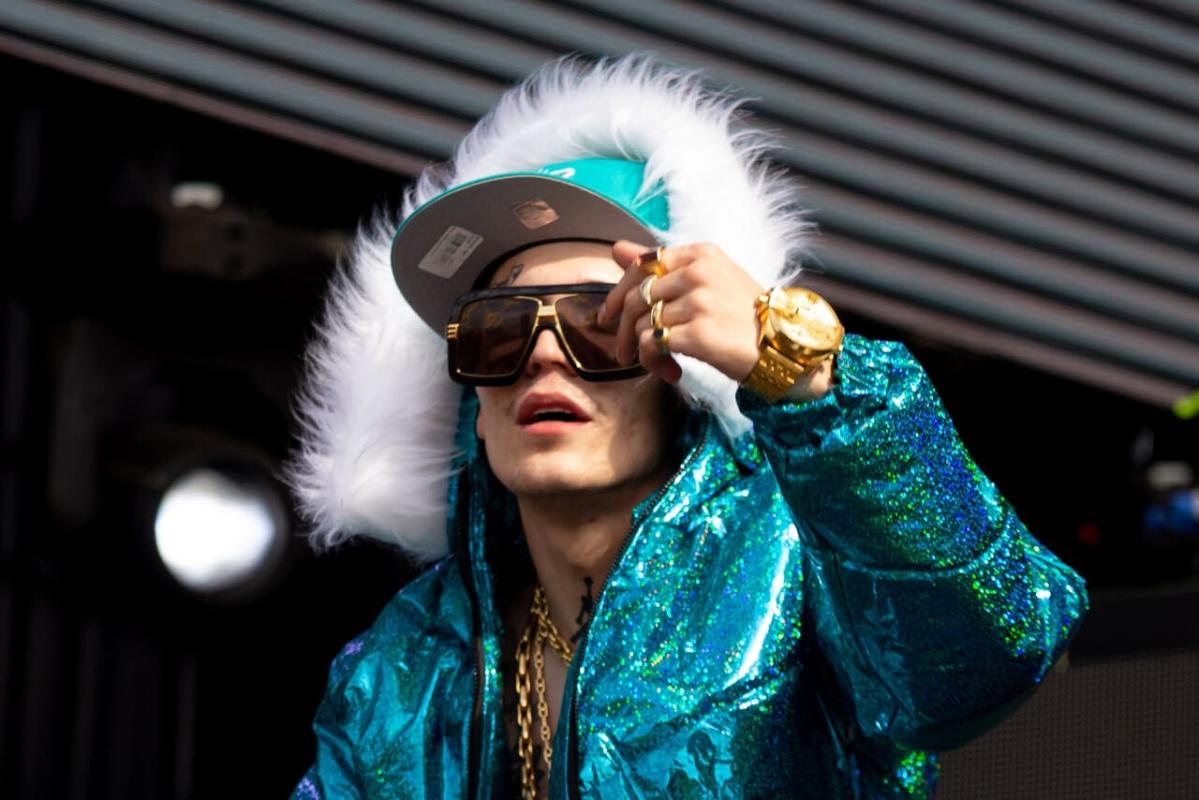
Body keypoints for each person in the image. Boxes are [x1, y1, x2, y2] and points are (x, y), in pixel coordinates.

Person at [287, 54, 1087, 799]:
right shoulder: (404, 661)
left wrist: (798, 369)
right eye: (498, 331)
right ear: (471, 409)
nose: (541, 356)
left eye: (600, 321)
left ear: (684, 372)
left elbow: (989, 649)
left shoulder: (807, 565)